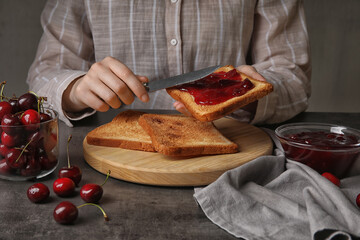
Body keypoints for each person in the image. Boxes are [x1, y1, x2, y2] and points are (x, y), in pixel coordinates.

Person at [27, 0, 311, 127]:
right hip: (115, 164)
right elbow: (44, 74)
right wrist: (76, 90)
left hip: (233, 153)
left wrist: (248, 95)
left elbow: (293, 75)